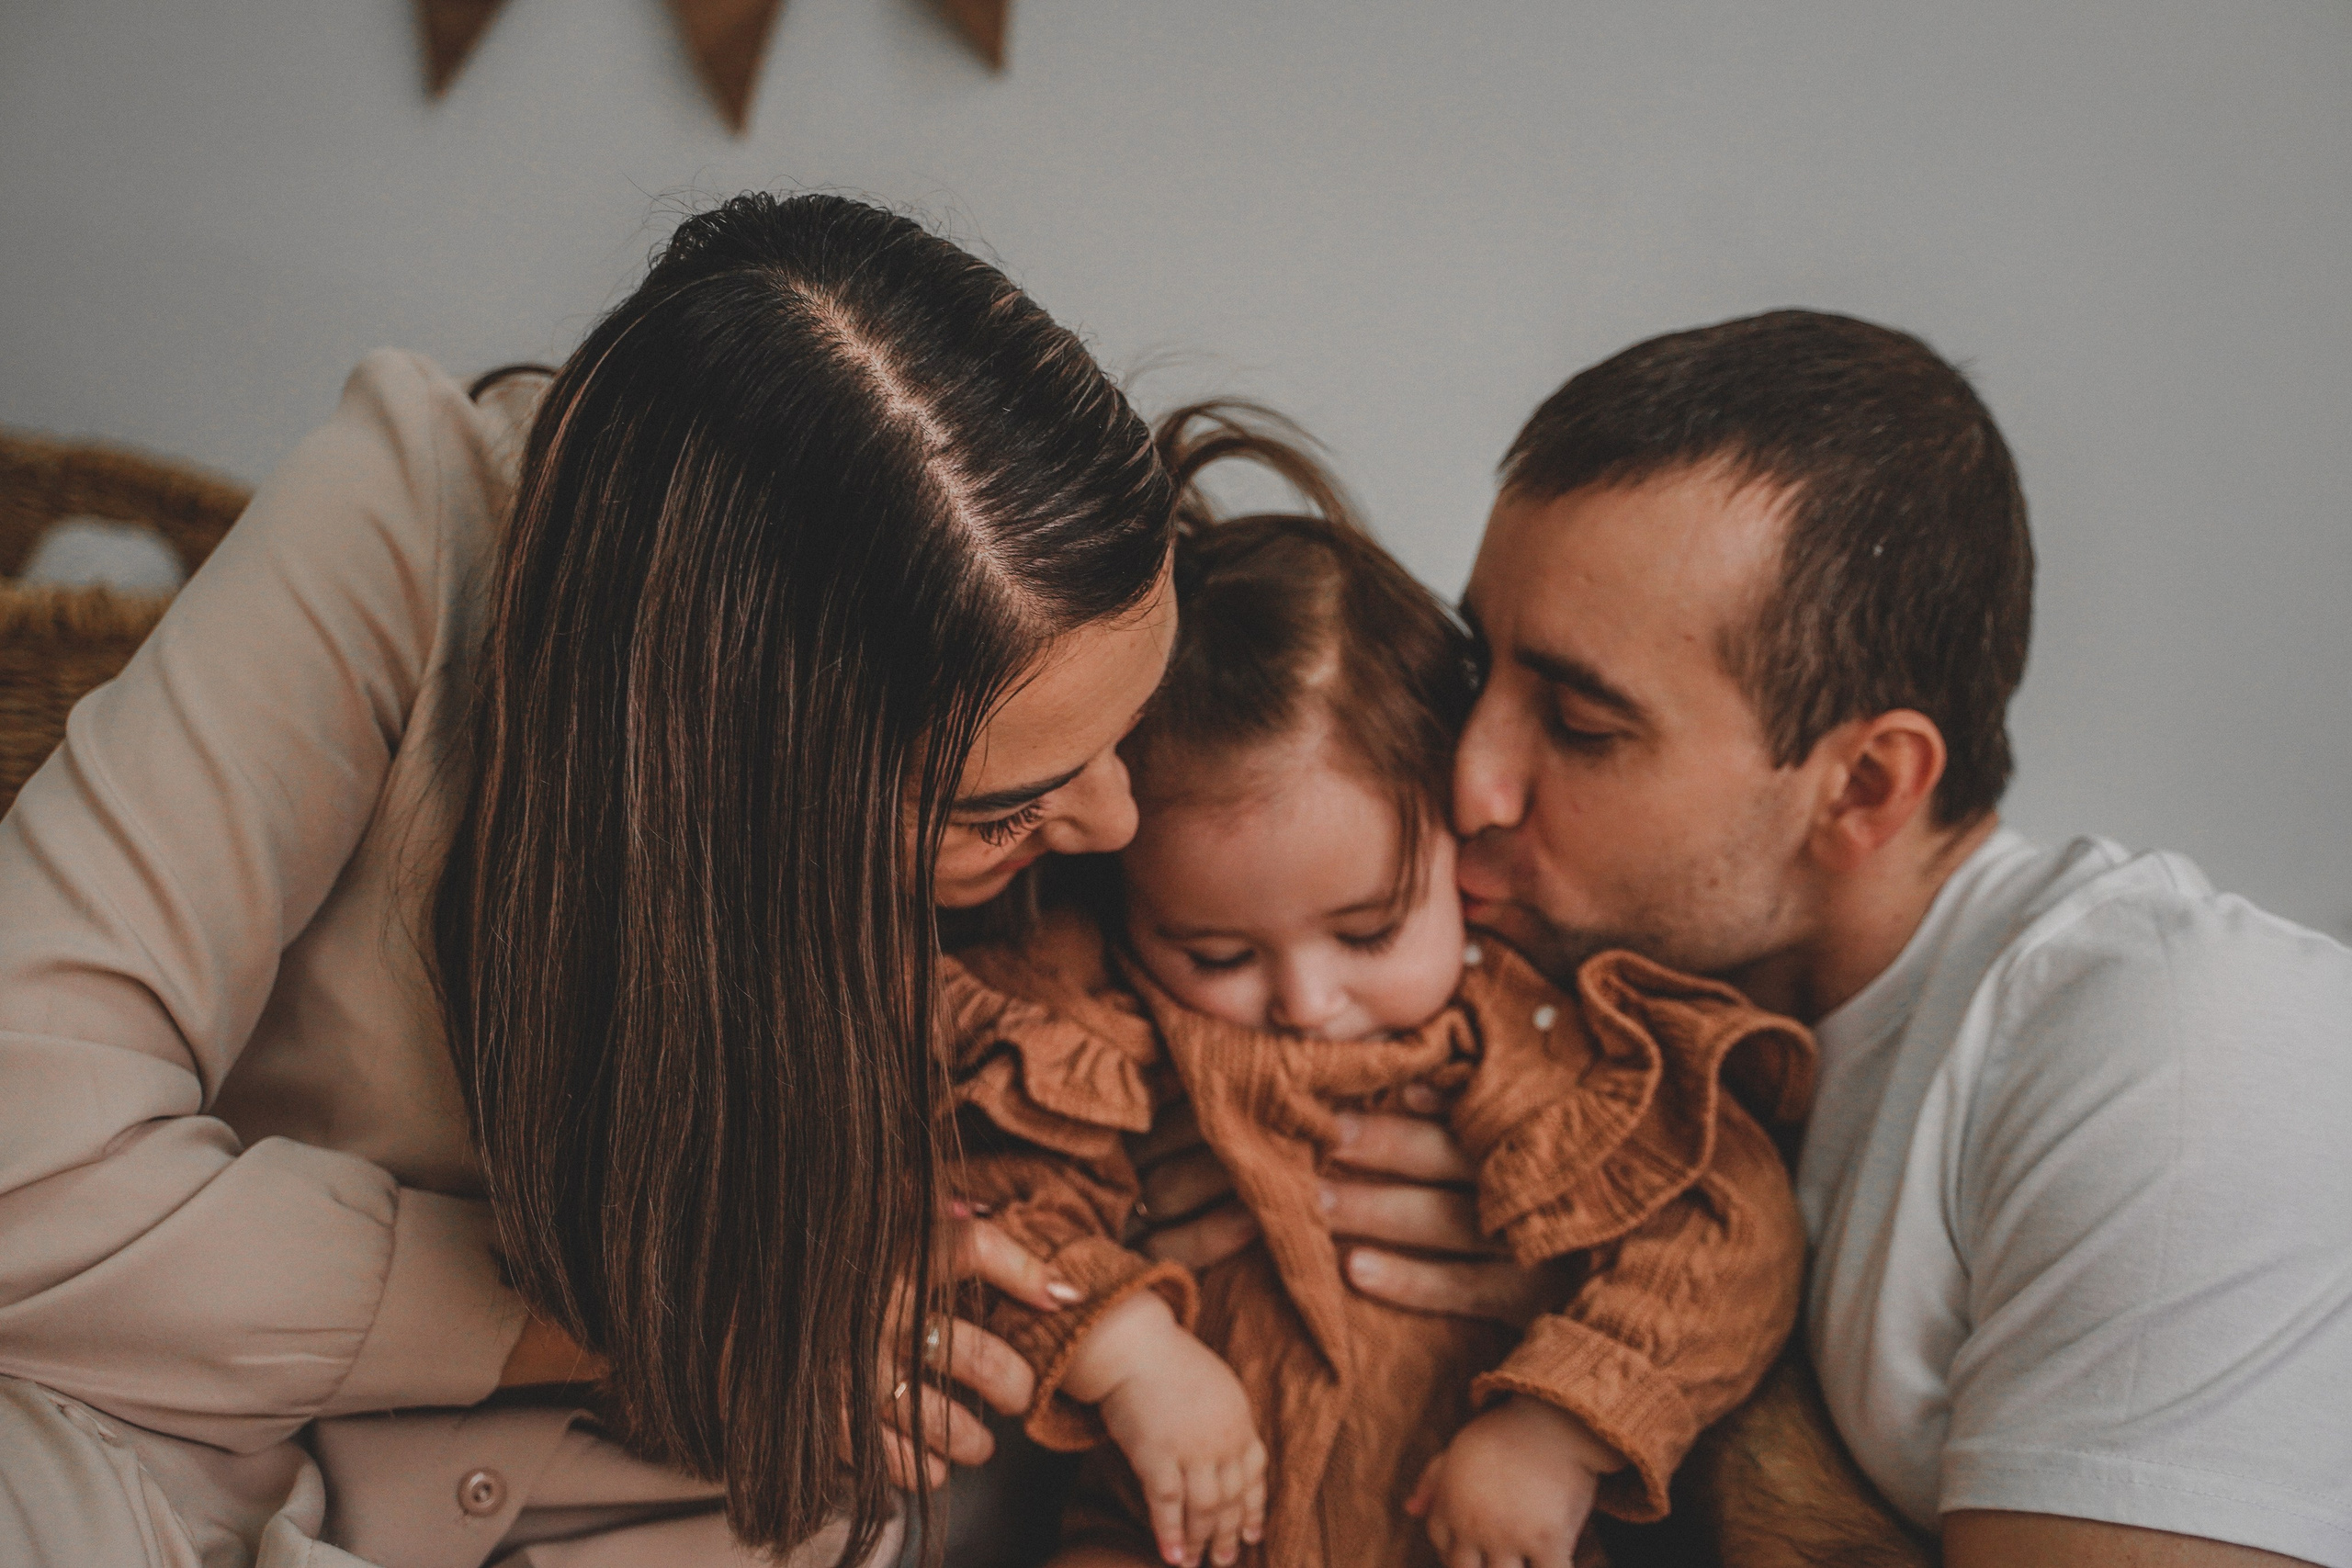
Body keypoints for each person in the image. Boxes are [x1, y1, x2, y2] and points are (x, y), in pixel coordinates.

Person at [0, 193, 1182, 1568]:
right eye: (1010, 807)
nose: (1119, 820)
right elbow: (25, 1170)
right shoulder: (411, 514)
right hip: (159, 1430)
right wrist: (643, 1319)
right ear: (732, 795)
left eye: (1130, 734)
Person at [1139, 312, 2352, 1567]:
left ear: (1864, 786)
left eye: (1577, 719)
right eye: (1476, 664)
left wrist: (1618, 1354)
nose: (1469, 779)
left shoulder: (2180, 1043)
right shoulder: (1532, 1004)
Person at [940, 407, 1813, 1568]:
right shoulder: (1091, 1017)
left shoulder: (1518, 1032)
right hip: (1174, 1531)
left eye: (1368, 931)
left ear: (1455, 845)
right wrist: (1131, 1346)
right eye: (1216, 953)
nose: (1305, 999)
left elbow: (1727, 1233)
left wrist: (1557, 1428)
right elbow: (996, 1202)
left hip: (1452, 1532)